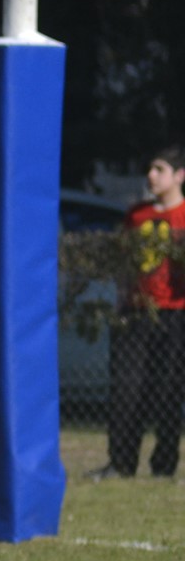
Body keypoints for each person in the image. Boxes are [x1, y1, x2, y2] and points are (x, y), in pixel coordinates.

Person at [95, 149, 185, 479]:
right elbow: (124, 264)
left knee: (168, 390)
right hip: (136, 314)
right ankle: (121, 463)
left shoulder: (183, 216)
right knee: (126, 390)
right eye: (149, 169)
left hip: (174, 314)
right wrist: (122, 299)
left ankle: (163, 465)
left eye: (159, 169)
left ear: (179, 175)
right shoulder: (137, 216)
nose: (151, 175)